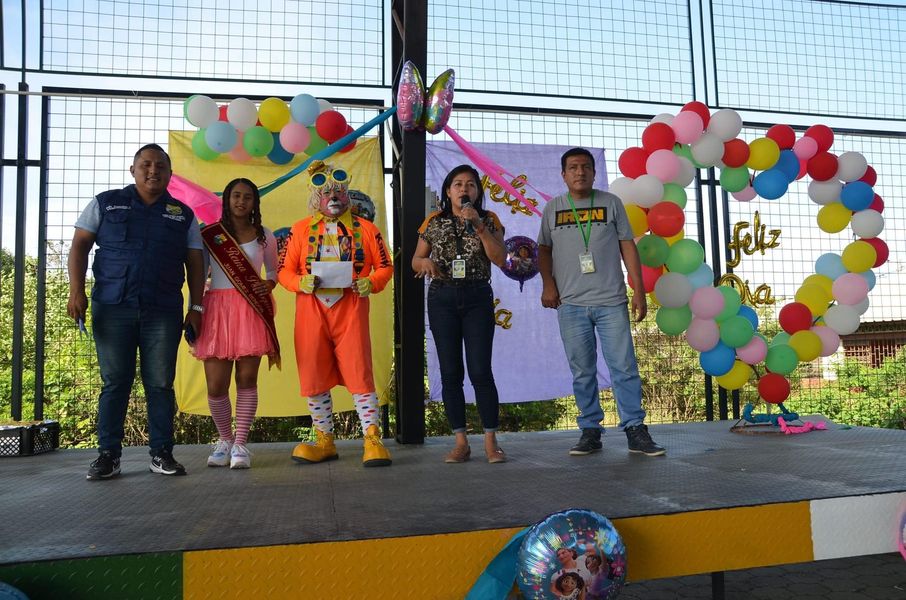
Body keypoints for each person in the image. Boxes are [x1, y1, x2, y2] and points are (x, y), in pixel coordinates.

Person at [67, 143, 205, 480]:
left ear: (170, 174)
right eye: (146, 164)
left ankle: (161, 453)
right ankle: (108, 456)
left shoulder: (183, 214)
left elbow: (195, 261)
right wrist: (76, 291)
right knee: (115, 383)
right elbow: (79, 245)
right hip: (113, 308)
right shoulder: (106, 202)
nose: (153, 170)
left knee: (160, 384)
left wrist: (196, 306)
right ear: (133, 170)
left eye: (161, 166)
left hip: (163, 311)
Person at [537, 147, 665, 457]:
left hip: (611, 301)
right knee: (582, 370)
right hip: (570, 304)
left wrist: (638, 289)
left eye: (585, 167)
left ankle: (635, 429)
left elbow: (627, 246)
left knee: (624, 367)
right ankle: (590, 431)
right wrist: (548, 285)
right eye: (573, 167)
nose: (580, 172)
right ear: (563, 174)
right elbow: (543, 249)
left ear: (594, 173)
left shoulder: (611, 203)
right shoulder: (553, 208)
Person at [278, 160, 394, 467]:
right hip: (311, 312)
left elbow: (385, 266)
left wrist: (372, 282)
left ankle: (372, 439)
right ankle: (324, 440)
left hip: (351, 310)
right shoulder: (299, 230)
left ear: (347, 194)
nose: (333, 197)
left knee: (360, 373)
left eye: (339, 191)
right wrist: (299, 283)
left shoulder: (367, 229)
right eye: (326, 192)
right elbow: (284, 270)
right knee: (314, 374)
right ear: (315, 196)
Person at [412, 164, 508, 464]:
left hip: (477, 296)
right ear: (448, 191)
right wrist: (424, 263)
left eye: (470, 184)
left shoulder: (489, 219)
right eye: (458, 184)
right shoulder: (434, 221)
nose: (464, 189)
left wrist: (478, 226)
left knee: (480, 371)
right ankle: (460, 442)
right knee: (451, 372)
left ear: (477, 191)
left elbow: (500, 258)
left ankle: (491, 441)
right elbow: (416, 258)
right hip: (442, 297)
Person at [190, 178, 280, 470]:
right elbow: (198, 273)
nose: (241, 201)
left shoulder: (265, 236)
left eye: (248, 197)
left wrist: (269, 284)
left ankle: (241, 443)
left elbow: (274, 272)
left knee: (246, 379)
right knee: (216, 385)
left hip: (250, 309)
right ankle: (225, 440)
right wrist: (194, 308)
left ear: (255, 203)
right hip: (216, 309)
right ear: (227, 199)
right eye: (236, 196)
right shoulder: (209, 234)